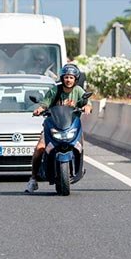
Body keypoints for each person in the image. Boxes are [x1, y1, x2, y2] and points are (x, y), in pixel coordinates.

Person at [25, 63, 92, 193]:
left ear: (75, 79)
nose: (68, 80)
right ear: (62, 78)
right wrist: (40, 109)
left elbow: (87, 103)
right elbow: (45, 104)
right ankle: (33, 179)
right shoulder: (55, 90)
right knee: (40, 148)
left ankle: (79, 167)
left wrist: (87, 107)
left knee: (79, 146)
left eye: (71, 77)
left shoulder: (78, 91)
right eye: (66, 77)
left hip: (71, 126)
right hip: (53, 126)